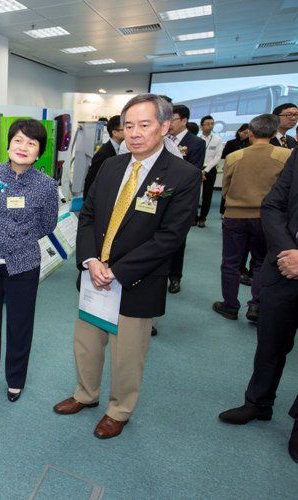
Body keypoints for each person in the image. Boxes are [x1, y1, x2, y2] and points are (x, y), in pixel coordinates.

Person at [52, 94, 200, 439]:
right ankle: (85, 394)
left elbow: (170, 237)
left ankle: (119, 410)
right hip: (93, 275)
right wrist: (90, 261)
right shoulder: (112, 166)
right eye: (129, 125)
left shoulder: (183, 174)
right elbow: (87, 216)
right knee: (86, 344)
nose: (134, 133)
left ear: (164, 126)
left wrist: (116, 271)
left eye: (144, 125)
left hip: (136, 281)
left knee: (127, 355)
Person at [218, 148, 298, 464]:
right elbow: (274, 204)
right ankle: (258, 402)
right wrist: (288, 251)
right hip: (283, 266)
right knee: (269, 343)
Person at [0, 119, 58, 402]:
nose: (23, 147)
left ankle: (16, 379)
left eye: (31, 143)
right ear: (9, 144)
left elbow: (47, 224)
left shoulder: (46, 184)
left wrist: (16, 239)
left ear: (39, 152)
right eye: (19, 140)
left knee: (20, 323)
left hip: (23, 263)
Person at [212, 114, 292, 322]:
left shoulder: (234, 156)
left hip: (235, 216)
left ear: (250, 133)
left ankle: (230, 305)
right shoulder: (286, 155)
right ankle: (256, 305)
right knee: (261, 262)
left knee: (230, 262)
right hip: (267, 220)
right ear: (275, 132)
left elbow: (226, 188)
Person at [166, 104, 205, 294]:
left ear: (184, 120)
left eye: (172, 118)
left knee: (177, 239)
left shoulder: (196, 143)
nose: (169, 122)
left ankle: (175, 277)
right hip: (157, 195)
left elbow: (194, 172)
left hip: (180, 198)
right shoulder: (162, 138)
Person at [83, 115, 123, 196]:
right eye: (125, 129)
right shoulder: (104, 153)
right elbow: (91, 179)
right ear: (115, 132)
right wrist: (87, 204)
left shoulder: (118, 148)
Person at [196, 115, 224, 228]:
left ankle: (202, 218)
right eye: (207, 124)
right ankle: (193, 217)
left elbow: (217, 157)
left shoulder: (217, 139)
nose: (210, 126)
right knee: (193, 194)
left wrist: (205, 171)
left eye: (212, 123)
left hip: (210, 169)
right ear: (201, 126)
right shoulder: (196, 138)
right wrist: (199, 170)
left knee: (207, 195)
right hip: (196, 168)